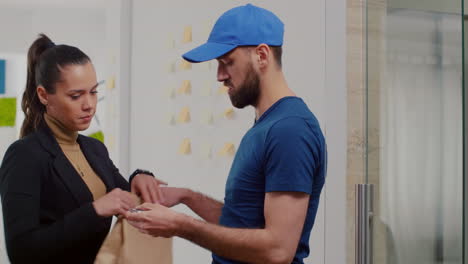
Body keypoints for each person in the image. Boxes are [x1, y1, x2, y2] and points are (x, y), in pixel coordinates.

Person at [125, 4, 327, 264]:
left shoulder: (289, 131)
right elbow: (243, 223)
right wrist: (188, 197)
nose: (220, 76)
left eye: (227, 62)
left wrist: (181, 226)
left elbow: (277, 250)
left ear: (262, 55)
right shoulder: (268, 125)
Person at [0, 34, 164, 264]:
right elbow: (21, 251)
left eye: (94, 92)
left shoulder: (95, 149)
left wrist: (140, 176)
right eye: (76, 96)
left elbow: (125, 198)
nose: (89, 105)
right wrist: (94, 210)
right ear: (44, 95)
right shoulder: (24, 155)